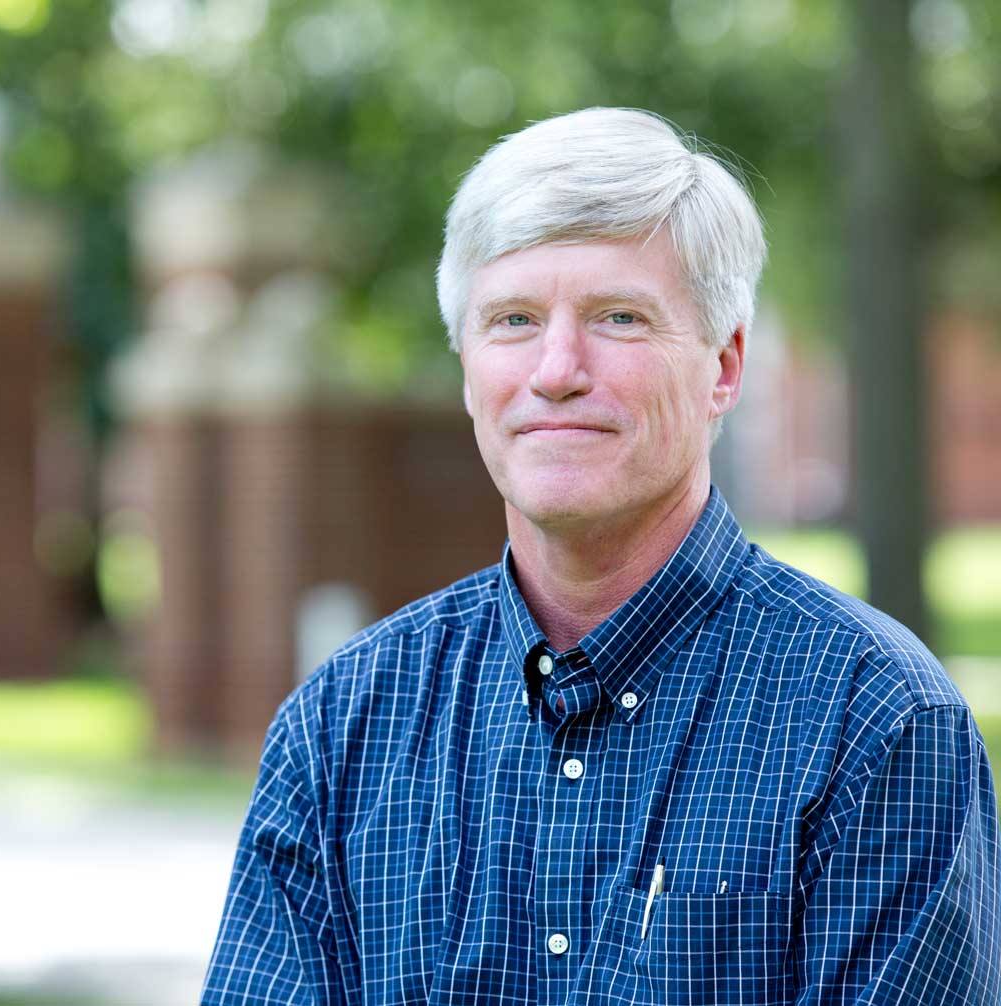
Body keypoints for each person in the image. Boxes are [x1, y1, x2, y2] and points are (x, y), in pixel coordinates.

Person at [201, 108, 1000, 1005]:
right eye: (512, 320)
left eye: (619, 317)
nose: (556, 369)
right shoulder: (342, 727)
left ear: (724, 368)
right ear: (466, 365)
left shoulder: (878, 724)